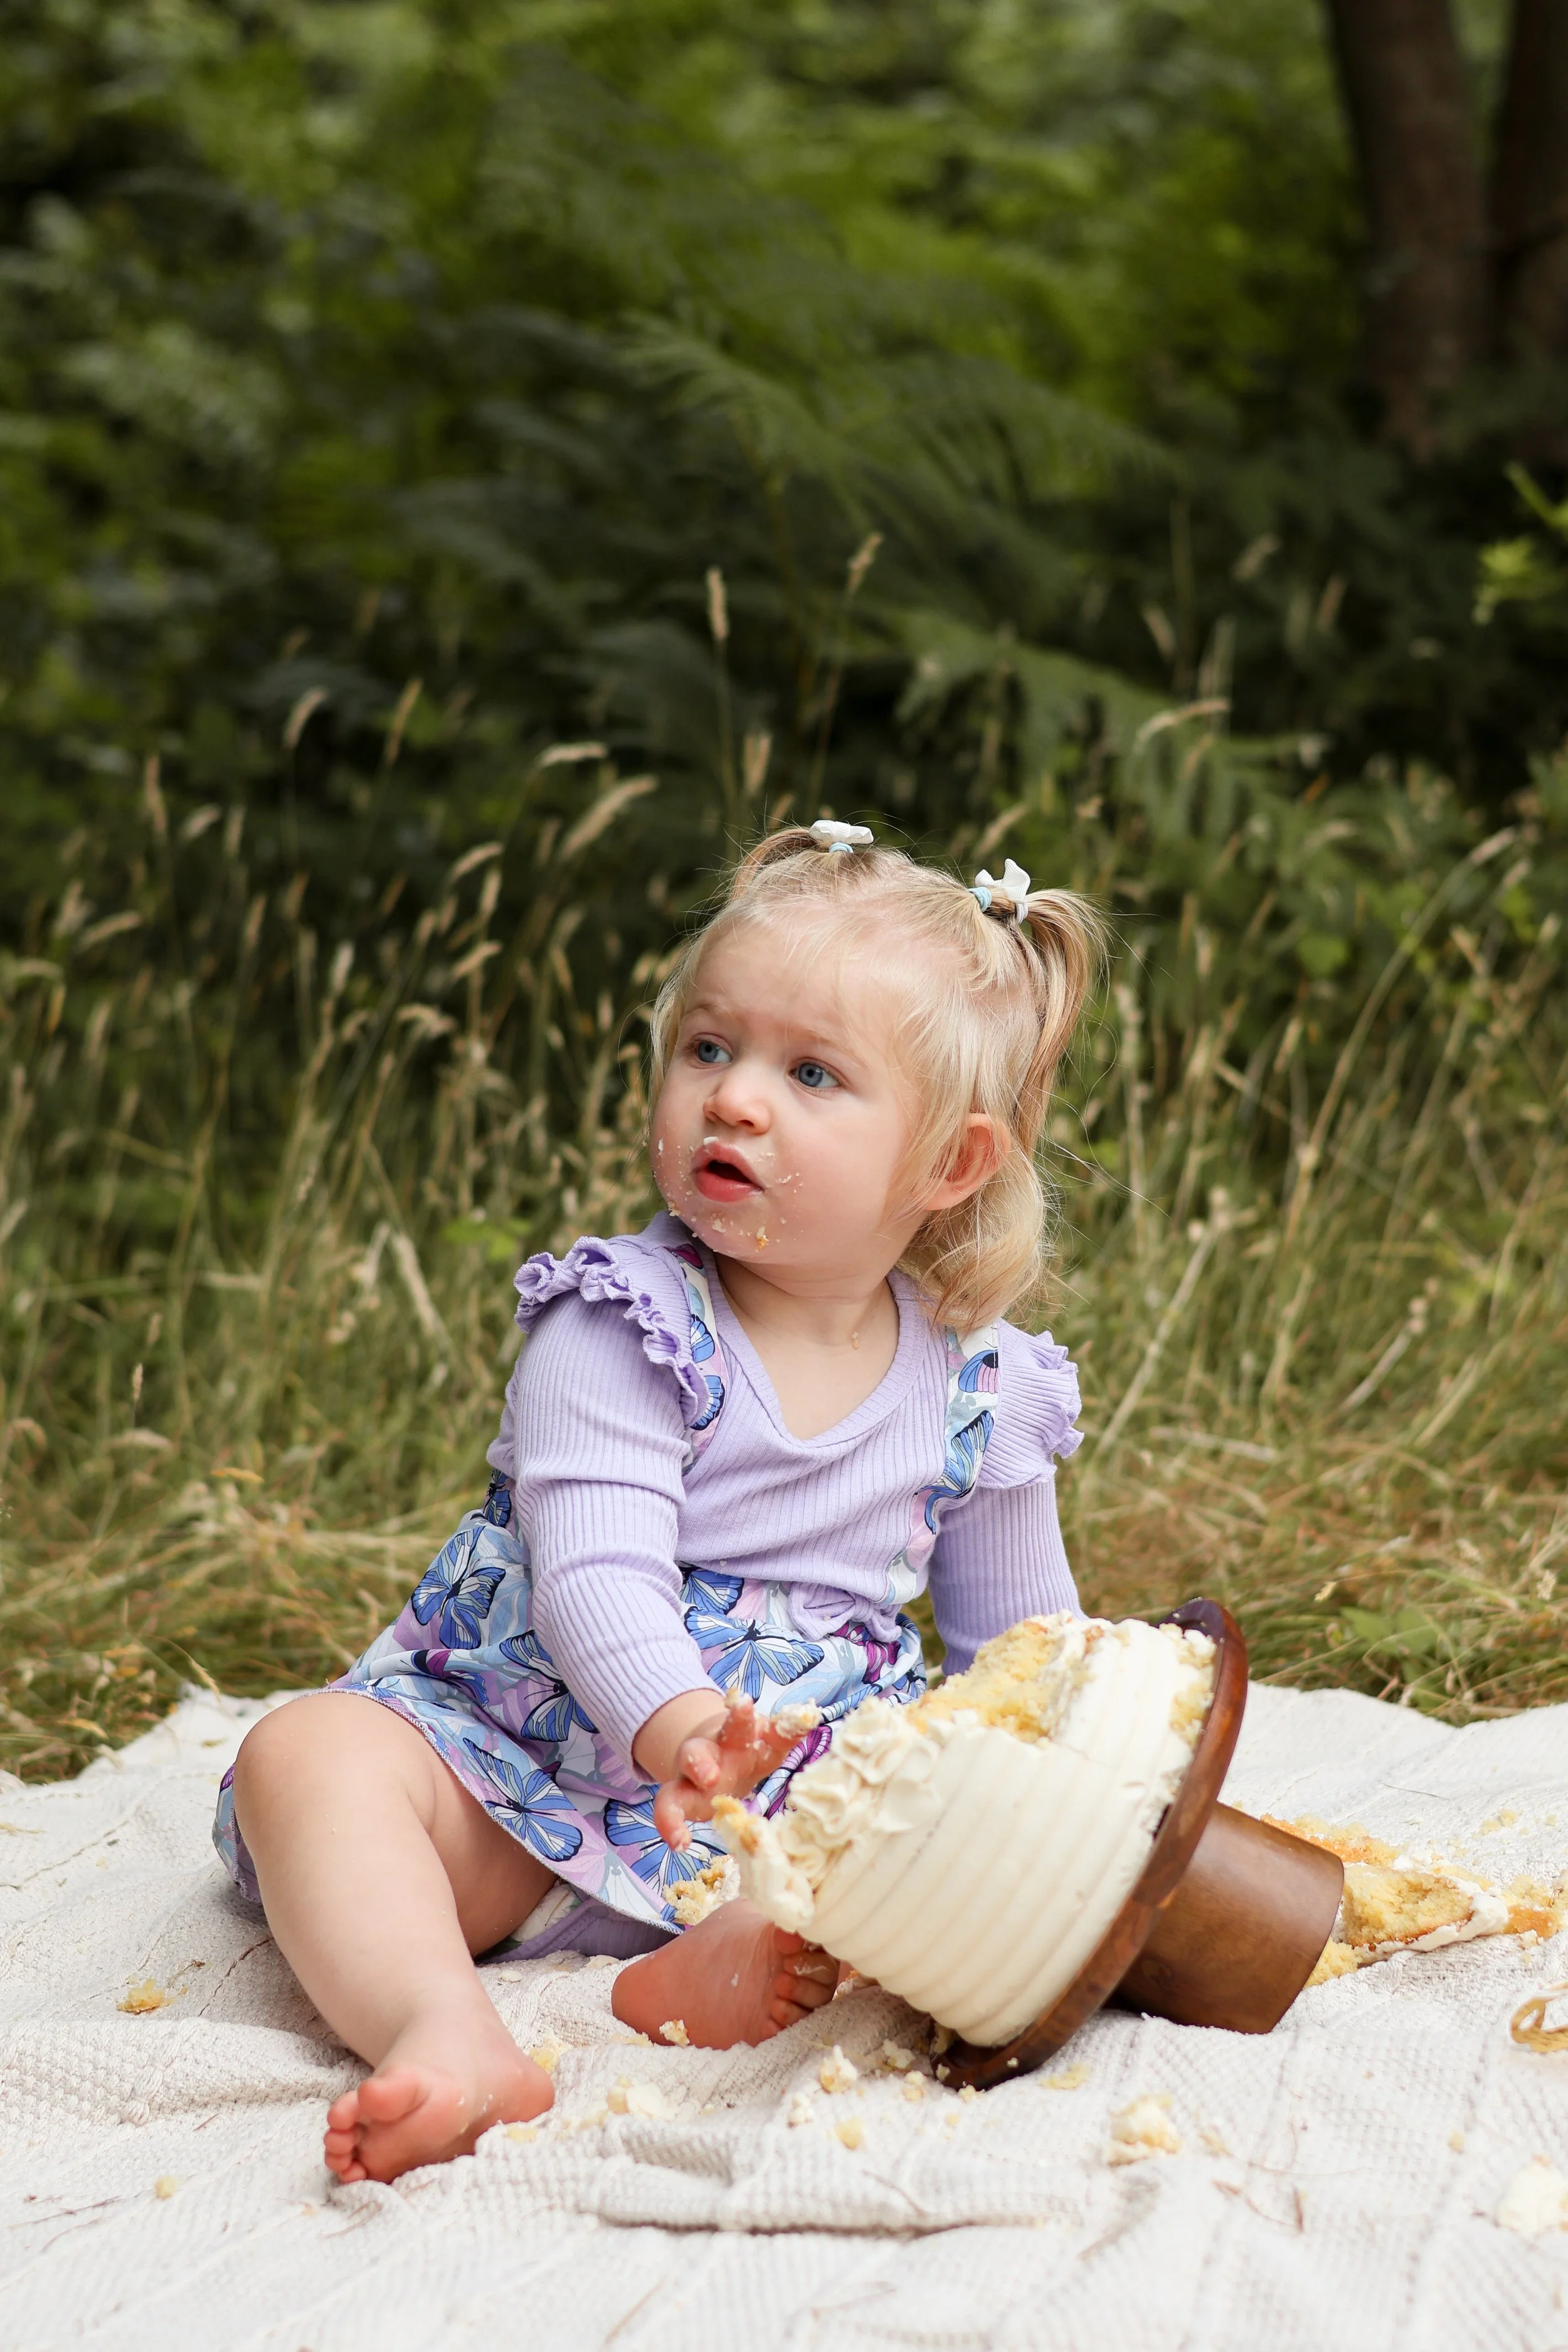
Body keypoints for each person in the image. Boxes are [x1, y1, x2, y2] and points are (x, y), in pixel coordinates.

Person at [216, 821, 1102, 2183]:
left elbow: (1020, 1652)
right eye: (709, 1049)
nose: (736, 1098)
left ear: (950, 1163)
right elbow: (593, 1572)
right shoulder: (625, 1323)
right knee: (309, 1760)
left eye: (811, 1073)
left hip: (773, 1810)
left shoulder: (977, 1387)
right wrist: (676, 1723)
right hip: (509, 1766)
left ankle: (695, 1966)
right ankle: (443, 2030)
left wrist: (1073, 1791)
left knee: (917, 1864)